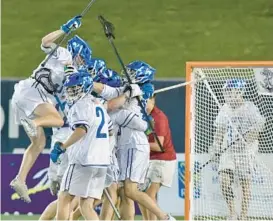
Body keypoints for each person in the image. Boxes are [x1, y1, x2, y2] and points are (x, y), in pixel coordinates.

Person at [10, 15, 82, 203]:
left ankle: (20, 179)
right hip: (33, 91)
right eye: (82, 57)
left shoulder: (74, 72)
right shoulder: (65, 54)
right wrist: (65, 29)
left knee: (39, 143)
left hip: (26, 95)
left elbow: (72, 93)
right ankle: (33, 122)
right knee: (57, 119)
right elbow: (45, 41)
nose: (82, 62)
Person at [93, 60, 176, 221]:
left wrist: (124, 94)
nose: (126, 75)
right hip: (124, 143)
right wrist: (89, 83)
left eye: (131, 73)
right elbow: (107, 90)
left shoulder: (139, 89)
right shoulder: (130, 88)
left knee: (130, 191)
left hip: (133, 144)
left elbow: (112, 104)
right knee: (125, 194)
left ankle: (164, 217)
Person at [50, 70, 111, 220]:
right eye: (70, 89)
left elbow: (81, 129)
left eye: (75, 89)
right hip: (102, 162)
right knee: (86, 205)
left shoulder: (81, 105)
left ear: (85, 87)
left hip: (84, 160)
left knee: (64, 197)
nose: (71, 92)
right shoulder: (99, 104)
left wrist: (63, 146)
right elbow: (110, 129)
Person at [211, 79, 265, 220]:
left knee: (244, 183)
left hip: (245, 151)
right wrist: (216, 147)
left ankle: (244, 216)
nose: (228, 94)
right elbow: (220, 131)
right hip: (228, 151)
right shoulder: (225, 108)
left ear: (239, 92)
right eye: (226, 91)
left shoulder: (250, 108)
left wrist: (247, 138)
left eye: (230, 91)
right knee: (224, 181)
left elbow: (259, 126)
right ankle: (232, 213)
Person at [139, 94, 177, 220]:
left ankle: (166, 218)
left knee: (149, 194)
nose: (144, 104)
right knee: (139, 194)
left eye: (146, 101)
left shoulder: (159, 118)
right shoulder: (142, 115)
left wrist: (138, 144)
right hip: (149, 159)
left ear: (153, 100)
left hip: (162, 160)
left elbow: (158, 146)